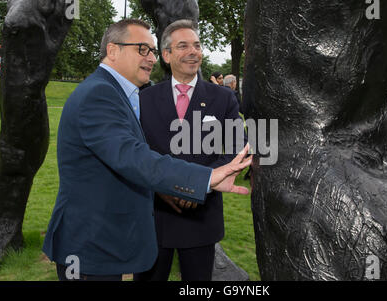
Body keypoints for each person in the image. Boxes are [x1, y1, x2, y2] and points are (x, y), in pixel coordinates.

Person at [42, 19, 251, 281]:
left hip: (120, 239)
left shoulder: (119, 93)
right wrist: (204, 178)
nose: (150, 58)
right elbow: (134, 156)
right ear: (113, 50)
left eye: (151, 51)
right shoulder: (104, 95)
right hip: (94, 241)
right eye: (143, 49)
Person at [136, 19, 246, 281]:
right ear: (166, 54)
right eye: (183, 45)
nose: (193, 51)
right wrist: (163, 187)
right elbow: (135, 152)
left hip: (201, 217)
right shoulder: (143, 98)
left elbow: (235, 149)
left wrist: (197, 185)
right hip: (154, 216)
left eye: (197, 45)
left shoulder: (223, 98)